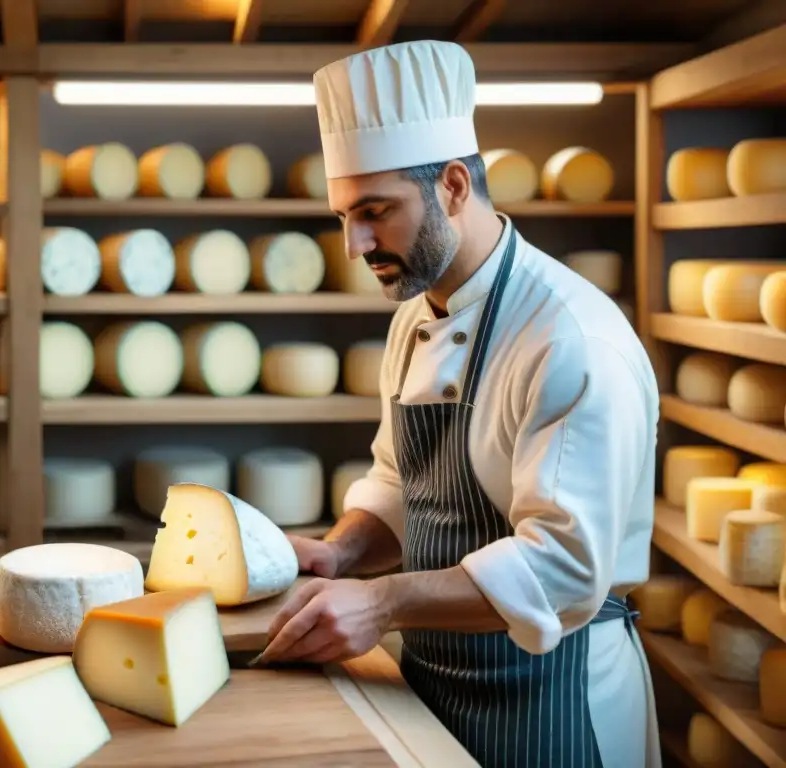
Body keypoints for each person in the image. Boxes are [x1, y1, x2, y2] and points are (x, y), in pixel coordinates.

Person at [259, 40, 663, 768]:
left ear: (452, 186)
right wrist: (341, 552)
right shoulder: (416, 314)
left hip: (554, 695)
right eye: (345, 215)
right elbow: (398, 481)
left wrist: (382, 603)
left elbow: (564, 566)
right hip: (434, 687)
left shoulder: (571, 337)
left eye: (375, 211)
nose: (355, 244)